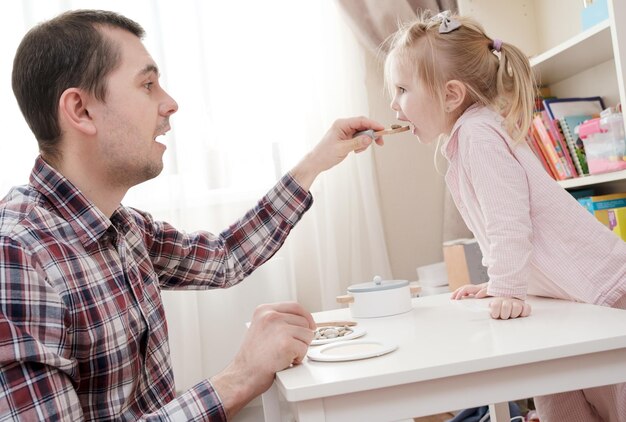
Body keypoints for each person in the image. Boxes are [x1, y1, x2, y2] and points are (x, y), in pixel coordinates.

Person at [0, 9, 386, 421]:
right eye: (147, 84)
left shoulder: (125, 228)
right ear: (81, 110)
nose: (170, 103)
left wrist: (315, 162)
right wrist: (239, 377)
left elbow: (225, 257)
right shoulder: (17, 257)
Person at [384, 10, 626, 422]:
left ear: (451, 95)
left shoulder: (477, 135)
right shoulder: (467, 139)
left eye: (403, 89)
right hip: (569, 299)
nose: (394, 103)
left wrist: (507, 288)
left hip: (604, 292)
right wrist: (498, 283)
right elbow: (498, 225)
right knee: (554, 388)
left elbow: (510, 221)